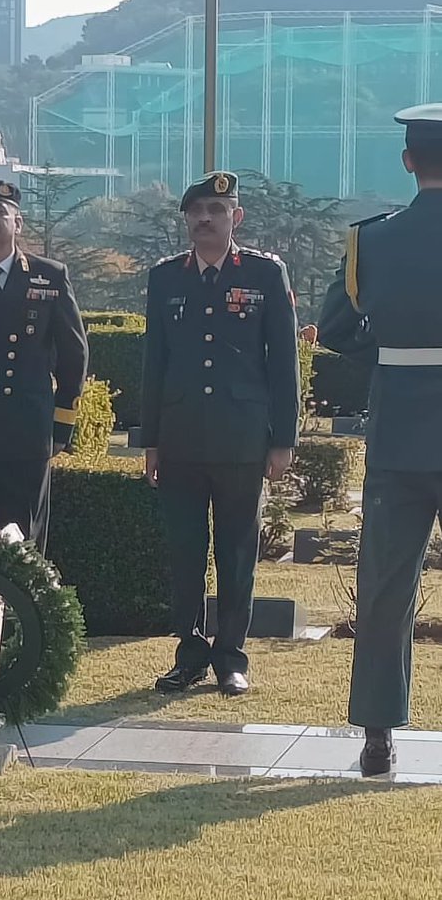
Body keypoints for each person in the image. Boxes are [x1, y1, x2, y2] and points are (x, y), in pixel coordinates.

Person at [141, 171, 300, 697]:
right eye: (196, 211)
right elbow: (154, 363)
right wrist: (151, 441)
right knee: (185, 553)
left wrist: (283, 439)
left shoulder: (264, 273)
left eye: (216, 210)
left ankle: (231, 657)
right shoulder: (166, 277)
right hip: (181, 439)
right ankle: (188, 655)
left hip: (241, 438)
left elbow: (284, 362)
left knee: (235, 554)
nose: (204, 219)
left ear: (237, 217)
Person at [319, 103, 442, 777]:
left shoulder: (371, 241)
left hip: (397, 430)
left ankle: (376, 733)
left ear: (407, 161)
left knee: (386, 590)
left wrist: (392, 353)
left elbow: (337, 328)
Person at [0, 179, 89, 554]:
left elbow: (74, 356)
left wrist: (61, 424)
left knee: (22, 547)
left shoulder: (49, 275)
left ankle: (18, 599)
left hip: (24, 434)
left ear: (18, 223)